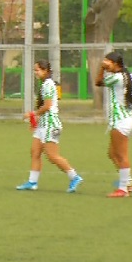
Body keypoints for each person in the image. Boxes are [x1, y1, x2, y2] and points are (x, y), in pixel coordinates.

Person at [16, 60, 84, 193]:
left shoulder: (48, 85)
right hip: (43, 125)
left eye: (38, 70)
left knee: (52, 156)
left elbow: (47, 106)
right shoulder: (45, 84)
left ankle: (74, 176)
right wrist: (35, 122)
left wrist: (32, 114)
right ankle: (32, 182)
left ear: (46, 70)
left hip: (51, 125)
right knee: (35, 152)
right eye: (34, 70)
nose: (36, 73)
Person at [95, 52, 132, 197]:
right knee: (112, 153)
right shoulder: (129, 76)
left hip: (121, 121)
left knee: (122, 155)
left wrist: (102, 68)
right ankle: (128, 183)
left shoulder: (117, 77)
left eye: (107, 61)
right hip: (126, 119)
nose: (105, 63)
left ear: (115, 63)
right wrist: (106, 67)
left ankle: (123, 189)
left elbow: (98, 82)